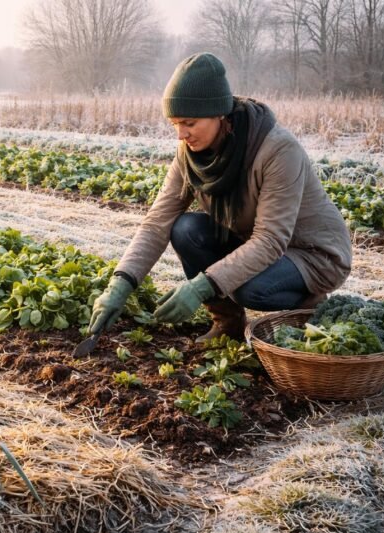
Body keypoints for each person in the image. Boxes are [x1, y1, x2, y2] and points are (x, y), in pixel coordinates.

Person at [87, 52, 352, 343]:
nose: (180, 134)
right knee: (185, 229)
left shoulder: (277, 150)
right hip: (253, 242)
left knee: (247, 288)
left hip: (312, 254)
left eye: (189, 122)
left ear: (219, 114)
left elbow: (271, 239)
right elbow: (157, 223)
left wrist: (202, 286)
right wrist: (121, 284)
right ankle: (228, 324)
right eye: (175, 123)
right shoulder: (189, 155)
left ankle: (312, 307)